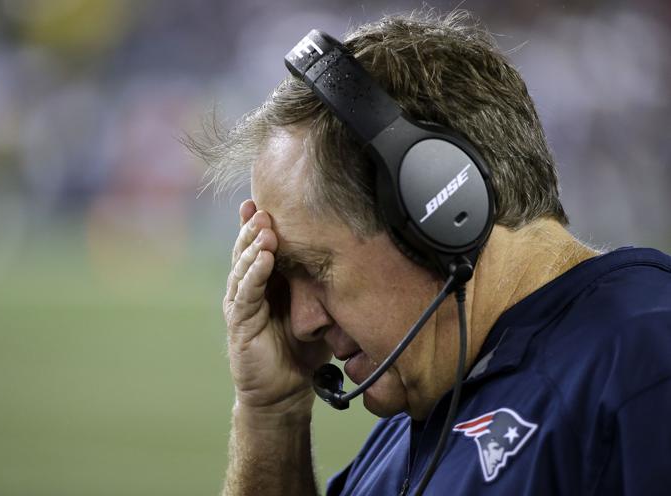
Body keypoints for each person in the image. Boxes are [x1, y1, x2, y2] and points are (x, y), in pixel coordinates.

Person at [194, 10, 671, 495]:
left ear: (439, 210)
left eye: (313, 269)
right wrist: (272, 416)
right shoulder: (416, 424)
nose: (300, 323)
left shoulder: (647, 361)